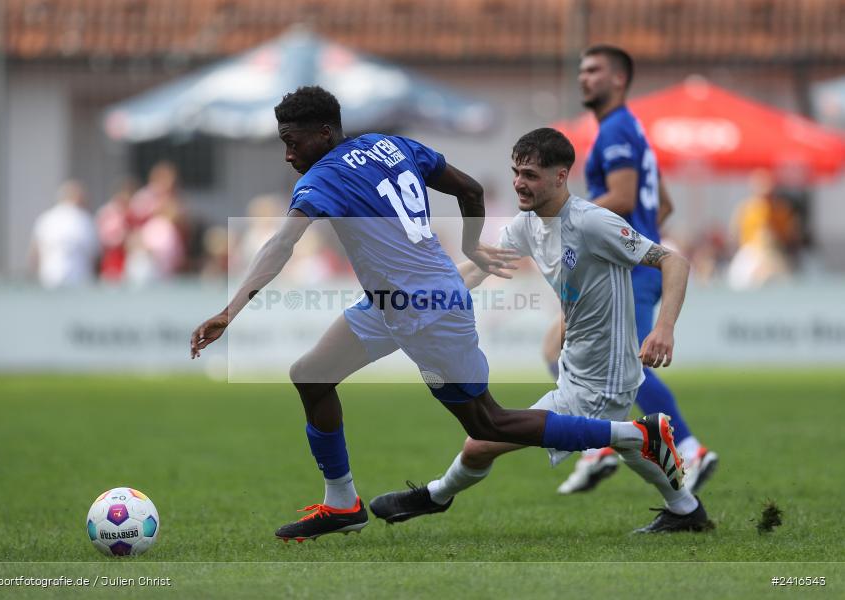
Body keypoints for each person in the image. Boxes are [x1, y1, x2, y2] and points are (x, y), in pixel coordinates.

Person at [189, 87, 684, 542]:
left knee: (489, 425)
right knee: (311, 375)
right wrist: (472, 246)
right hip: (392, 304)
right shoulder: (391, 145)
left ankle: (635, 435)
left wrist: (230, 311)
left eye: (291, 141)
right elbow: (468, 189)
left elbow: (281, 245)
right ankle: (342, 504)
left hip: (426, 312)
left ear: (325, 133)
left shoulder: (322, 179)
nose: (288, 153)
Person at [369, 128, 712, 533]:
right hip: (576, 369)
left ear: (561, 176)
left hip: (607, 377)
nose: (519, 182)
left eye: (530, 174)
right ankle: (685, 508)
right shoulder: (526, 225)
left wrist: (663, 329)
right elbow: (481, 268)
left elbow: (674, 262)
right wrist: (421, 298)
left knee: (482, 439)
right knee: (622, 443)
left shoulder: (593, 223)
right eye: (515, 171)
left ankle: (434, 497)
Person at [551, 45, 718, 494]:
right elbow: (662, 204)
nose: (583, 77)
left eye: (594, 70)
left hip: (628, 271)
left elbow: (624, 198)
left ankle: (686, 448)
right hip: (630, 266)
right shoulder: (631, 129)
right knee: (561, 348)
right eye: (581, 70)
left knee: (623, 363)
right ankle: (598, 444)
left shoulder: (615, 130)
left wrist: (563, 215)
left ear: (619, 79)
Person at [30, 179, 100, 289]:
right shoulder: (83, 219)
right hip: (78, 278)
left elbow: (35, 252)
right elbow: (94, 254)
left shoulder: (46, 218)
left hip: (49, 276)